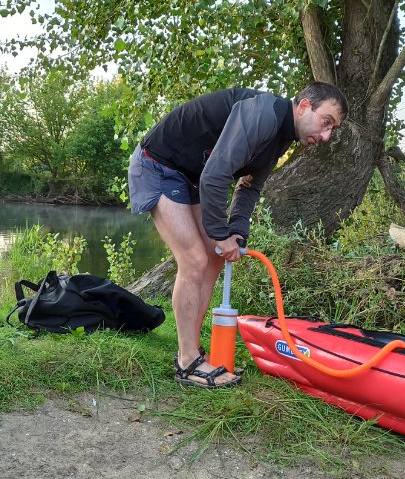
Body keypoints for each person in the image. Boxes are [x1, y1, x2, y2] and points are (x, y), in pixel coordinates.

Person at [127, 82, 349, 388]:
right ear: (304, 106)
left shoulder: (282, 136)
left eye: (332, 130)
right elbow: (216, 175)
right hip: (157, 164)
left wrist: (237, 233)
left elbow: (250, 185)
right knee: (193, 259)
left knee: (213, 259)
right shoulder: (263, 114)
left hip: (189, 176)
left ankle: (190, 352)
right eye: (327, 123)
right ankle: (188, 362)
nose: (326, 136)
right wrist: (221, 234)